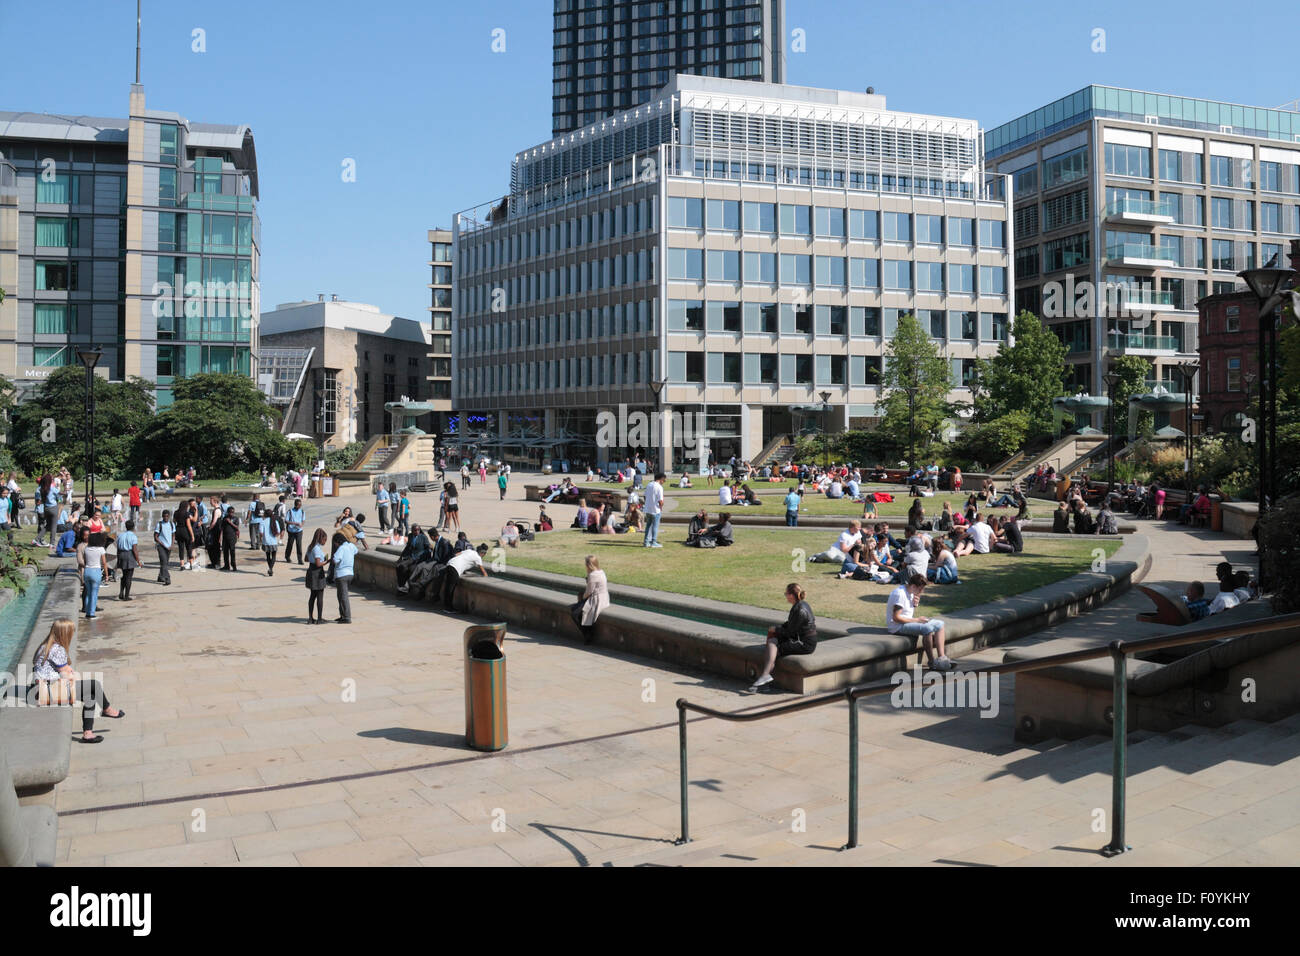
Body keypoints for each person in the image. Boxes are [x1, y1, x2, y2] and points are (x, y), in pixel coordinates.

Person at [24, 619, 125, 743]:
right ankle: (107, 709)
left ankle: (88, 733)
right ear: (65, 634)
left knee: (90, 696)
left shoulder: (45, 646)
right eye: (72, 631)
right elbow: (66, 675)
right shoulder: (57, 649)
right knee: (94, 684)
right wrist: (71, 674)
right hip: (48, 691)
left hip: (40, 689)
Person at [749, 583, 817, 691]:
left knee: (776, 648)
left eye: (786, 593)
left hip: (804, 643)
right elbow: (791, 624)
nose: (785, 596)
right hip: (801, 639)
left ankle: (765, 678)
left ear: (791, 595)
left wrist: (776, 630)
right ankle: (765, 678)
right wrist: (778, 628)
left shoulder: (799, 610)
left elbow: (790, 632)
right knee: (772, 641)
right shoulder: (800, 605)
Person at [887, 573, 952, 670]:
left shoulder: (911, 592)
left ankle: (942, 658)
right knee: (927, 628)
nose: (922, 591)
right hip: (897, 626)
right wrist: (917, 620)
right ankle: (932, 662)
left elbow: (906, 612)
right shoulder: (900, 594)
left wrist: (915, 605)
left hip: (907, 622)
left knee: (940, 624)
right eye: (920, 589)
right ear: (913, 586)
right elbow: (896, 618)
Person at [570, 554, 610, 644]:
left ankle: (587, 634)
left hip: (596, 599)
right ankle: (588, 633)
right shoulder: (601, 571)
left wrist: (582, 599)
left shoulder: (593, 575)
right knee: (579, 609)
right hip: (604, 597)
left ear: (589, 565)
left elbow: (588, 592)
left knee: (575, 612)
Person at [443, 542, 490, 610]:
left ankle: (446, 606)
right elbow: (483, 572)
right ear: (483, 553)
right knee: (451, 588)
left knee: (448, 586)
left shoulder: (469, 551)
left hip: (450, 563)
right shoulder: (478, 558)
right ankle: (448, 608)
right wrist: (487, 577)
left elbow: (456, 554)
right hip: (455, 568)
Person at [330, 531, 357, 624]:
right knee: (341, 595)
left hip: (341, 574)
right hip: (350, 573)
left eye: (335, 543)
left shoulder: (341, 548)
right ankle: (342, 615)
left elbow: (335, 560)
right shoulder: (351, 546)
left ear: (338, 541)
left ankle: (347, 617)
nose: (335, 545)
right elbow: (356, 551)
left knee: (343, 596)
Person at [82, 531, 108, 619]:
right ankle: (91, 613)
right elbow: (104, 563)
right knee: (94, 593)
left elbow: (85, 561)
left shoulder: (86, 548)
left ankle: (87, 611)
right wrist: (107, 575)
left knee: (88, 593)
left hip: (87, 570)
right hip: (96, 571)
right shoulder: (101, 549)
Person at [305, 529, 330, 622]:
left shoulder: (310, 547)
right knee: (320, 595)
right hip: (317, 572)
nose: (325, 542)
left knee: (312, 595)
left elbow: (306, 559)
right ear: (320, 539)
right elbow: (318, 563)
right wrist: (327, 561)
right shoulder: (317, 548)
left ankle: (310, 617)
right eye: (324, 540)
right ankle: (319, 618)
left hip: (311, 570)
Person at [115, 520, 141, 601]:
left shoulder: (120, 535)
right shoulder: (133, 536)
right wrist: (138, 560)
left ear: (126, 527)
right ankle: (126, 596)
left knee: (124, 576)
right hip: (129, 555)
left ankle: (121, 593)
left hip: (121, 554)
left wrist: (118, 558)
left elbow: (117, 547)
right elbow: (134, 550)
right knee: (129, 577)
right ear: (133, 527)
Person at [154, 510, 175, 586]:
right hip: (161, 546)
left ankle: (160, 577)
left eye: (167, 516)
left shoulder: (172, 524)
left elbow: (173, 535)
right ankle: (167, 578)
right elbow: (156, 537)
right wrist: (162, 544)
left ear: (169, 516)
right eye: (164, 516)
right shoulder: (159, 524)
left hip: (169, 547)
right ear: (162, 516)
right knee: (164, 563)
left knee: (165, 563)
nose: (166, 518)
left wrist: (172, 545)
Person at [643, 472, 664, 548]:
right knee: (655, 526)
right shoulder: (659, 487)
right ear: (661, 479)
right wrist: (661, 506)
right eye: (664, 480)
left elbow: (644, 496)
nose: (664, 482)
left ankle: (646, 541)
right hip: (656, 509)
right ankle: (653, 542)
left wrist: (648, 503)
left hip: (648, 509)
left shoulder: (649, 484)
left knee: (648, 525)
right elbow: (660, 500)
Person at [261, 504, 284, 576]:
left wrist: (262, 539)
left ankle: (270, 568)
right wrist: (274, 536)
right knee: (274, 556)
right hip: (273, 542)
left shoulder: (263, 522)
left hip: (266, 542)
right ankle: (271, 568)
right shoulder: (275, 521)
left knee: (268, 556)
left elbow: (261, 533)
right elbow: (278, 532)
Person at [284, 498, 305, 564]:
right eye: (298, 505)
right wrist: (294, 523)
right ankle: (287, 557)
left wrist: (302, 524)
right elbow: (286, 521)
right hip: (291, 530)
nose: (299, 506)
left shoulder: (302, 511)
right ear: (295, 505)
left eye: (300, 505)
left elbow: (303, 520)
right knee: (290, 544)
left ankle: (300, 559)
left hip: (299, 530)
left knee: (299, 545)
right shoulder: (290, 511)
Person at [219, 506, 240, 571]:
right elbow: (222, 528)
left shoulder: (236, 518)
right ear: (228, 512)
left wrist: (230, 522)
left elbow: (237, 527)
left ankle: (234, 566)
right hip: (225, 537)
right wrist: (220, 537)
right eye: (230, 512)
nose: (231, 513)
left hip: (232, 538)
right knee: (225, 552)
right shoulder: (225, 518)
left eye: (233, 512)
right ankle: (226, 565)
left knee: (232, 552)